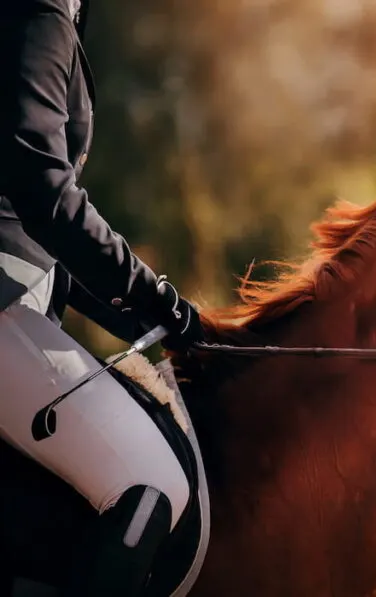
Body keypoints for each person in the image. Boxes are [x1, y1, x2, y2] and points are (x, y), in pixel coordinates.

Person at [0, 0, 205, 594]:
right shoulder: (37, 12)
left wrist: (154, 317)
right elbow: (42, 194)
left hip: (22, 291)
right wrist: (159, 297)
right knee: (151, 483)